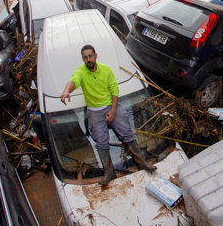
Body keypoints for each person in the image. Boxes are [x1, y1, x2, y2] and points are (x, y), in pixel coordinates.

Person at [60, 45, 156, 187]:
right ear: (83, 59)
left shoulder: (106, 70)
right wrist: (66, 91)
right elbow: (74, 81)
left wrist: (112, 111)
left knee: (127, 134)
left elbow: (114, 90)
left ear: (95, 56)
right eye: (85, 57)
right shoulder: (80, 72)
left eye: (90, 56)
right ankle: (109, 172)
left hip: (111, 105)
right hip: (94, 111)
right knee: (101, 142)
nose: (88, 59)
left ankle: (142, 163)